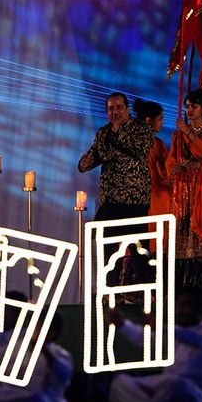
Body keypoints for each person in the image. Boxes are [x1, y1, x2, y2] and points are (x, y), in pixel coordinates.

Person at [108, 286, 202, 402]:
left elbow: (196, 338)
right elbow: (147, 339)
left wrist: (160, 327)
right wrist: (122, 324)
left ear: (201, 309)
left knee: (174, 382)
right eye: (179, 305)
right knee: (120, 383)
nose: (180, 310)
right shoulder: (176, 334)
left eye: (186, 305)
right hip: (170, 396)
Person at [79, 92, 155, 286]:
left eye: (119, 107)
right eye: (111, 108)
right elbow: (94, 155)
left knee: (140, 250)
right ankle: (109, 292)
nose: (115, 112)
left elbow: (139, 151)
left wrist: (117, 137)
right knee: (108, 249)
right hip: (111, 200)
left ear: (127, 109)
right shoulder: (103, 133)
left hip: (134, 200)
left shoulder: (141, 129)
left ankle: (150, 291)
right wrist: (84, 163)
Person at [166, 89, 202, 289]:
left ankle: (199, 286)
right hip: (182, 190)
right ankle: (178, 287)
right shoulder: (177, 134)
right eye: (187, 106)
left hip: (201, 188)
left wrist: (187, 131)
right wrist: (174, 168)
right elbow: (171, 159)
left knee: (200, 231)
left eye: (193, 106)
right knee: (181, 233)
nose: (189, 110)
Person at [133, 99, 171, 251]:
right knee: (157, 239)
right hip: (156, 197)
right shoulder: (156, 143)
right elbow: (164, 174)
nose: (162, 123)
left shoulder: (129, 139)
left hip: (135, 198)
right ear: (149, 120)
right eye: (160, 118)